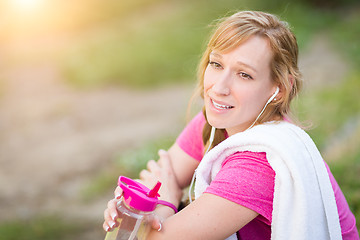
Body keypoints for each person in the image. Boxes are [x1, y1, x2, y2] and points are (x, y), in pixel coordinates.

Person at [103, 11, 359, 239]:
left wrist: (167, 202)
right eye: (216, 64)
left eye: (244, 74)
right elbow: (163, 175)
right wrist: (130, 206)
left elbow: (156, 235)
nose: (219, 87)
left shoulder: (261, 162)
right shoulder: (218, 121)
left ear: (279, 89)